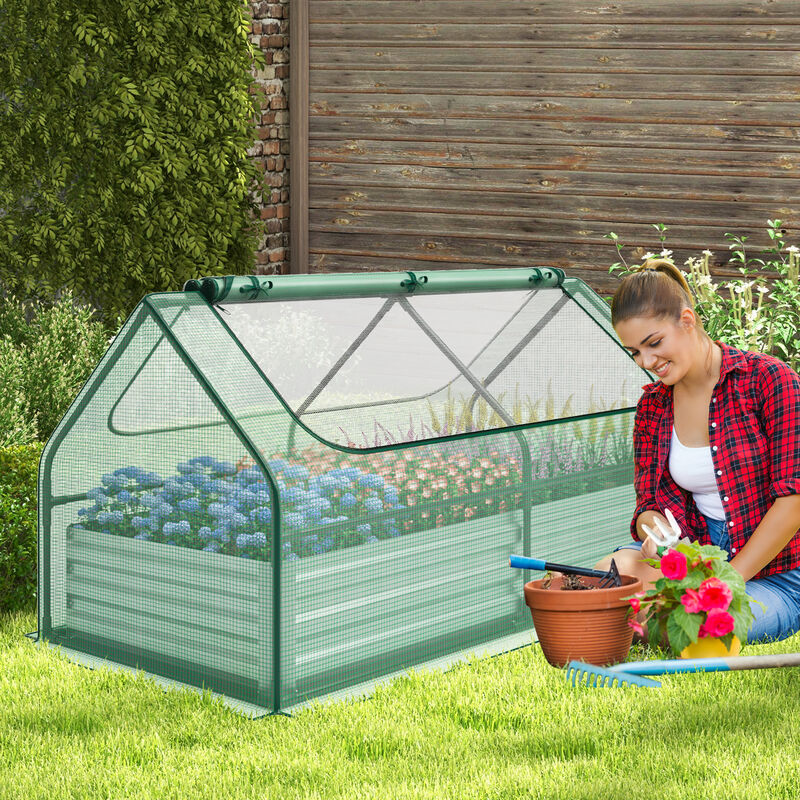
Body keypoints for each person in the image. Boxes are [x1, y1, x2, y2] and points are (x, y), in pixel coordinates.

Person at [594, 258, 800, 643]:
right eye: (634, 352)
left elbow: (794, 502)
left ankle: (663, 618)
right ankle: (655, 613)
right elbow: (649, 503)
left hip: (778, 572)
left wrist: (725, 582)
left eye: (654, 343)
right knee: (604, 575)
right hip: (694, 560)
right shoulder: (653, 406)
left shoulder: (769, 381)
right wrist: (656, 534)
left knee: (697, 624)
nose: (647, 362)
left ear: (687, 320)